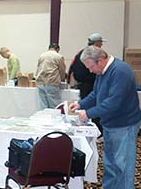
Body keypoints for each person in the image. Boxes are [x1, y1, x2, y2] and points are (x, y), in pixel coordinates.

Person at [69, 46, 141, 189]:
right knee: (110, 164)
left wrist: (88, 113)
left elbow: (114, 102)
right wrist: (80, 104)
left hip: (123, 125)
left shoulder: (120, 71)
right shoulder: (103, 71)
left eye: (90, 67)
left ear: (100, 60)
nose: (90, 71)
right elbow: (96, 94)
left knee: (123, 166)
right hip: (110, 124)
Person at [68, 33, 106, 99]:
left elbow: (72, 67)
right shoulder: (96, 53)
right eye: (100, 42)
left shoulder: (81, 52)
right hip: (90, 84)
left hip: (81, 84)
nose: (102, 44)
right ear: (96, 42)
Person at [35, 43, 66, 109]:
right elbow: (62, 70)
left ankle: (43, 118)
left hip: (40, 82)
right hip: (52, 82)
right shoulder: (59, 56)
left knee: (43, 106)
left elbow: (38, 67)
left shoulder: (42, 55)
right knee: (54, 106)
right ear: (57, 49)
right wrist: (62, 79)